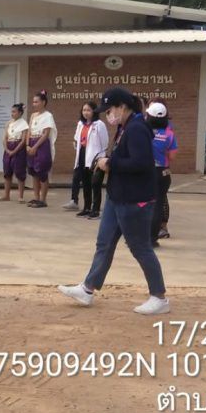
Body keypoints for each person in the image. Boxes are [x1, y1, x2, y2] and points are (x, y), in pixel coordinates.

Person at [58, 87, 170, 315]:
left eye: (110, 110)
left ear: (122, 107)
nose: (108, 114)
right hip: (117, 196)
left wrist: (109, 164)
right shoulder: (124, 127)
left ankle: (159, 298)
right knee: (105, 243)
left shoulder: (137, 129)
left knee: (140, 248)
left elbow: (141, 163)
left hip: (134, 199)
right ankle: (87, 288)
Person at [70, 101, 109, 219]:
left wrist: (101, 156)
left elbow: (105, 142)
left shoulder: (99, 124)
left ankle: (95, 209)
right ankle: (86, 208)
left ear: (94, 111)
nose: (86, 113)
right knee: (85, 183)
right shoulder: (80, 124)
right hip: (82, 154)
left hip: (96, 157)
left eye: (88, 110)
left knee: (95, 183)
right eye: (84, 110)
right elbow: (77, 138)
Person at [146, 102, 177, 245]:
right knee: (157, 205)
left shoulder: (144, 132)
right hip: (162, 173)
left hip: (145, 172)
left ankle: (141, 237)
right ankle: (153, 239)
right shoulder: (169, 134)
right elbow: (172, 156)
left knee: (142, 204)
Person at [26, 91, 56, 208]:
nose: (34, 104)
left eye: (36, 102)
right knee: (34, 172)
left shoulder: (48, 116)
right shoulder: (33, 115)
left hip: (42, 145)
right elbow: (29, 131)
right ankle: (36, 197)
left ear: (43, 102)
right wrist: (27, 145)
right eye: (33, 102)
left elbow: (45, 134)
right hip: (31, 143)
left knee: (42, 172)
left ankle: (43, 200)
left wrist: (35, 147)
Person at [0, 103, 29, 202]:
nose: (12, 113)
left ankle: (21, 196)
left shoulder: (24, 124)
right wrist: (7, 149)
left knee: (20, 172)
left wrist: (15, 151)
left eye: (14, 112)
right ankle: (6, 195)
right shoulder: (8, 123)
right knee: (7, 172)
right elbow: (5, 137)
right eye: (11, 111)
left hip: (19, 148)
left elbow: (23, 140)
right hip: (8, 147)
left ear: (20, 113)